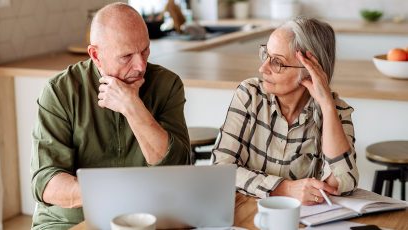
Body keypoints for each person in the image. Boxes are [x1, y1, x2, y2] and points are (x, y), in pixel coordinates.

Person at [30, 3, 190, 229]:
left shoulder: (167, 85)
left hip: (148, 217)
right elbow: (46, 182)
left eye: (144, 50)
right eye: (126, 56)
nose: (141, 65)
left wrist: (132, 106)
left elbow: (178, 170)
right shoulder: (59, 91)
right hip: (71, 222)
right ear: (96, 55)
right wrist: (113, 192)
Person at [212, 17, 359, 205]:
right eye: (266, 55)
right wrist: (284, 188)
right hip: (247, 210)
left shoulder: (337, 110)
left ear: (309, 71)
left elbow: (343, 182)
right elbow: (221, 168)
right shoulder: (250, 95)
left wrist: (327, 105)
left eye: (277, 62)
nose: (262, 68)